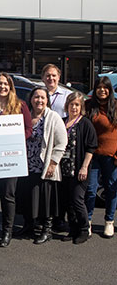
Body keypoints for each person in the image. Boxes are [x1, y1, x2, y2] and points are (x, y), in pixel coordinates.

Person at [0, 72, 32, 247]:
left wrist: (14, 141)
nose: (2, 87)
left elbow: (28, 129)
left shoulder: (20, 105)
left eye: (6, 84)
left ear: (11, 87)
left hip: (11, 158)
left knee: (8, 195)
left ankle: (7, 231)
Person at [18, 87, 67, 244]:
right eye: (36, 97)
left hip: (45, 166)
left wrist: (53, 163)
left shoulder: (53, 117)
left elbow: (61, 143)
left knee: (45, 200)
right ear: (31, 99)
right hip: (26, 166)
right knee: (27, 197)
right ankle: (29, 225)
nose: (39, 100)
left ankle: (47, 230)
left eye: (42, 98)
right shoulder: (25, 116)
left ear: (47, 100)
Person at [60, 92, 97, 244]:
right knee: (68, 201)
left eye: (77, 105)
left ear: (81, 107)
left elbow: (91, 147)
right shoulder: (62, 122)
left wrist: (84, 167)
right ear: (67, 105)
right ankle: (73, 228)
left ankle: (84, 229)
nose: (74, 107)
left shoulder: (85, 123)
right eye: (71, 104)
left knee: (77, 200)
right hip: (63, 169)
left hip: (79, 169)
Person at [85, 76, 117, 238]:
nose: (102, 90)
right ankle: (88, 221)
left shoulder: (116, 106)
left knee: (111, 189)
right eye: (99, 87)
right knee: (90, 189)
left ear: (110, 90)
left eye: (105, 87)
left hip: (112, 156)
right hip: (92, 155)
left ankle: (109, 221)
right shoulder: (89, 106)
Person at [41, 64, 72, 232]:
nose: (50, 78)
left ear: (59, 77)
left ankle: (59, 219)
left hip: (61, 145)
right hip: (43, 146)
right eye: (47, 75)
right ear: (42, 77)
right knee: (46, 186)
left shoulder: (67, 95)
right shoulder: (38, 93)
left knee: (60, 185)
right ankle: (45, 218)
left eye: (53, 75)